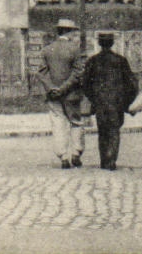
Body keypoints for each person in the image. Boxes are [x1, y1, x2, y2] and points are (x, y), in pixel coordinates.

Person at [81, 32, 138, 170]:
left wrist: (93, 98)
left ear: (100, 44)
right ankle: (111, 159)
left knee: (102, 131)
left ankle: (104, 160)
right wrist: (126, 103)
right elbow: (132, 84)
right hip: (116, 103)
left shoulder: (93, 61)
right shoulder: (120, 60)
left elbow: (85, 83)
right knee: (114, 130)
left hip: (100, 102)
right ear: (112, 43)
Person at [38, 18, 86, 169]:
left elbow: (41, 73)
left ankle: (63, 157)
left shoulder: (47, 50)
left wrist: (52, 88)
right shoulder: (75, 49)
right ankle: (76, 153)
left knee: (58, 124)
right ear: (69, 32)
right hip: (71, 94)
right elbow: (78, 72)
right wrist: (64, 87)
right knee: (76, 122)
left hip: (53, 95)